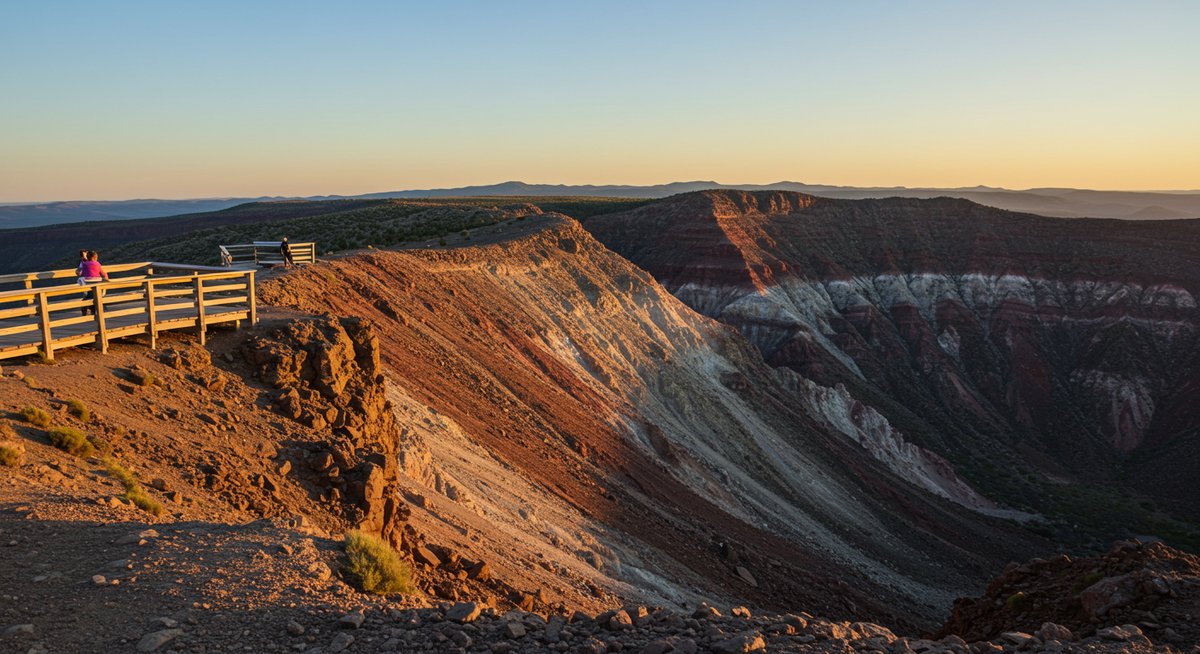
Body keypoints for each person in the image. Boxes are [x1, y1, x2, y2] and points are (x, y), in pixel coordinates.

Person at [77, 250, 108, 316]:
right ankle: (101, 309)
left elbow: (79, 273)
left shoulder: (84, 264)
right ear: (94, 258)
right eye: (96, 258)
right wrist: (106, 279)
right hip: (97, 283)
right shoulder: (97, 264)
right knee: (99, 295)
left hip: (88, 284)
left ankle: (85, 308)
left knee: (88, 295)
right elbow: (104, 274)